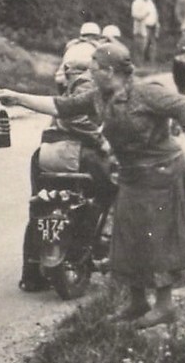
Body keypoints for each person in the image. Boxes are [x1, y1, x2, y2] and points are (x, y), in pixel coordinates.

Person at [0, 42, 185, 329]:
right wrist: (17, 98)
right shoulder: (98, 97)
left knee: (158, 240)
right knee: (127, 238)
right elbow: (61, 106)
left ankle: (164, 305)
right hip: (132, 174)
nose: (89, 72)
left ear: (109, 71)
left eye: (93, 67)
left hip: (163, 173)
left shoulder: (145, 93)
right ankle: (137, 303)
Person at [18, 39, 117, 292]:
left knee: (40, 204)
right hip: (76, 153)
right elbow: (78, 120)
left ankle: (31, 272)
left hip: (47, 151)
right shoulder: (87, 85)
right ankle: (96, 246)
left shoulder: (67, 85)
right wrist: (101, 140)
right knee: (109, 191)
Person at [130, 0, 160, 64]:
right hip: (142, 27)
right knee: (141, 46)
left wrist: (157, 23)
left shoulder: (150, 2)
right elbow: (135, 15)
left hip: (152, 26)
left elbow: (155, 13)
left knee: (152, 46)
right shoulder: (137, 2)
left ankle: (151, 63)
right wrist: (144, 15)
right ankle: (138, 63)